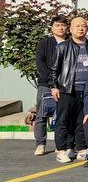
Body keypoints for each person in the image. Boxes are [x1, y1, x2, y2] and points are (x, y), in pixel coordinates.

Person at [49, 17, 88, 163]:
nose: (81, 28)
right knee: (63, 121)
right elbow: (54, 69)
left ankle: (81, 149)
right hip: (67, 89)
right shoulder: (62, 47)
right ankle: (61, 150)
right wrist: (54, 87)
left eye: (83, 26)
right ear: (71, 29)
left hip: (87, 90)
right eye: (77, 26)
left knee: (82, 120)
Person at [33, 15, 67, 156]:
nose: (60, 28)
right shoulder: (44, 43)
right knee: (42, 114)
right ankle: (40, 144)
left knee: (63, 115)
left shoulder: (70, 43)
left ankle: (63, 144)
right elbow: (40, 62)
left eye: (63, 25)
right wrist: (52, 82)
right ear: (52, 28)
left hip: (65, 85)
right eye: (57, 25)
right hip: (46, 84)